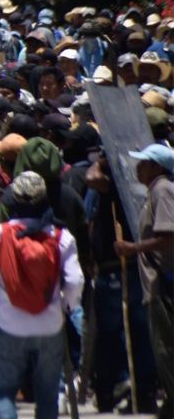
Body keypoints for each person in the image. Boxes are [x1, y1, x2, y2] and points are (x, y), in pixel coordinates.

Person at [0, 172, 85, 419]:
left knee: (4, 392)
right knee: (47, 395)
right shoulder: (61, 237)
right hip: (50, 326)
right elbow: (75, 280)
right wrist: (65, 306)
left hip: (10, 326)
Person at [114, 143, 174, 419]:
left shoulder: (162, 190)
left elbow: (168, 237)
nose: (138, 167)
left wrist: (132, 249)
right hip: (157, 284)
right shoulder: (156, 191)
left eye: (144, 162)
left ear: (157, 167)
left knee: (166, 349)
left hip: (162, 285)